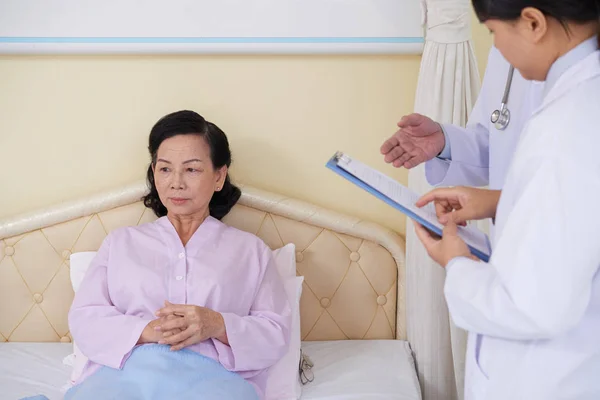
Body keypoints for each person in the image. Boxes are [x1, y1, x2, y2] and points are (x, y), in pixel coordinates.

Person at [412, 1, 600, 399]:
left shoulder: (566, 126)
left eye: (495, 33)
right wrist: (500, 200)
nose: (495, 48)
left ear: (533, 22)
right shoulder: (576, 97)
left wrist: (456, 263)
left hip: (553, 373)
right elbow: (500, 143)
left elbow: (532, 305)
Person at [64, 110, 292, 400]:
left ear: (219, 176)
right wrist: (148, 330)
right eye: (165, 169)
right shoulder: (120, 243)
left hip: (215, 384)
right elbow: (85, 318)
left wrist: (216, 324)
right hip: (126, 381)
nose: (176, 183)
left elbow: (275, 333)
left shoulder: (251, 251)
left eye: (192, 169)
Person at [380, 44, 544, 193]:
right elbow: (494, 147)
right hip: (508, 219)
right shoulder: (502, 51)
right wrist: (444, 143)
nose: (496, 39)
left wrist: (489, 204)